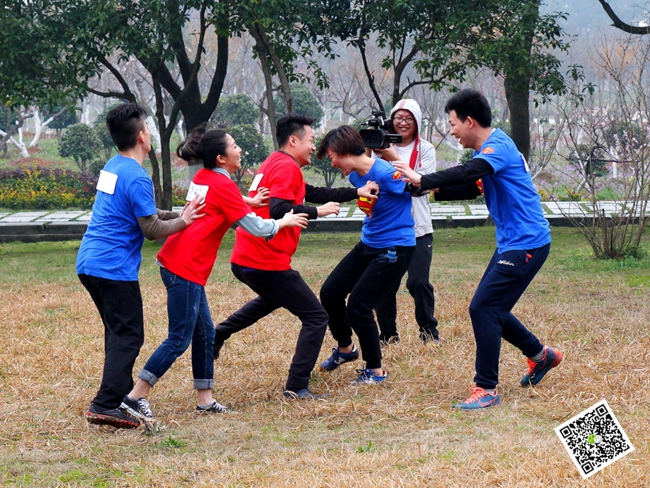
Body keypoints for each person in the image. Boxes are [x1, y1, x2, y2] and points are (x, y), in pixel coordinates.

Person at [120, 128, 308, 422]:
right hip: (185, 268)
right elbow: (257, 229)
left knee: (206, 333)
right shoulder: (222, 185)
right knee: (179, 338)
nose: (240, 150)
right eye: (235, 146)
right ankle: (135, 396)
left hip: (178, 263)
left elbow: (219, 201)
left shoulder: (205, 177)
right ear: (221, 158)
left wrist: (248, 201)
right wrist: (283, 221)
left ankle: (205, 400)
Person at [393, 88, 563, 410]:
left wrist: (423, 177)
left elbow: (471, 172)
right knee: (490, 307)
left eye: (453, 123)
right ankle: (542, 355)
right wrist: (425, 187)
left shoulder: (496, 147)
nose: (452, 131)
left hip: (526, 243)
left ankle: (486, 388)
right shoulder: (491, 150)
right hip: (515, 243)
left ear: (469, 121)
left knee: (483, 308)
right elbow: (473, 184)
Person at [213, 113, 379, 400]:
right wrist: (318, 212)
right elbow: (279, 209)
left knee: (272, 299)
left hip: (245, 257)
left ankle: (218, 334)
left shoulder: (275, 162)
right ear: (293, 140)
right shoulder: (286, 166)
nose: (314, 147)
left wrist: (356, 192)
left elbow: (311, 192)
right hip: (265, 259)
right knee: (316, 317)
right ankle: (296, 386)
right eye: (311, 140)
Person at [78, 103, 204, 429]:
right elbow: (150, 231)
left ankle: (115, 395)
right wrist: (185, 221)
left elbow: (137, 214)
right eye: (147, 128)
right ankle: (106, 404)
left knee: (118, 333)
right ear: (141, 136)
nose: (149, 133)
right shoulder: (137, 176)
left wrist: (176, 215)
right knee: (129, 335)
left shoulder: (114, 167)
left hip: (89, 262)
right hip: (112, 267)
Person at [317, 125, 416, 384]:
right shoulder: (355, 178)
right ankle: (346, 350)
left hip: (395, 247)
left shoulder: (385, 172)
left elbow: (419, 189)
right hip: (368, 243)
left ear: (343, 151)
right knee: (330, 292)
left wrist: (396, 160)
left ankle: (375, 370)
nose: (333, 163)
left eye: (332, 157)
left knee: (359, 306)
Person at [372, 99, 440, 345]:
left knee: (418, 282)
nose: (402, 123)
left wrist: (391, 158)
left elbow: (420, 185)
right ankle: (388, 335)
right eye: (398, 118)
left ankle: (429, 332)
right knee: (384, 284)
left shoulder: (426, 149)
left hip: (418, 226)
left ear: (418, 123)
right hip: (387, 225)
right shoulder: (378, 147)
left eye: (408, 119)